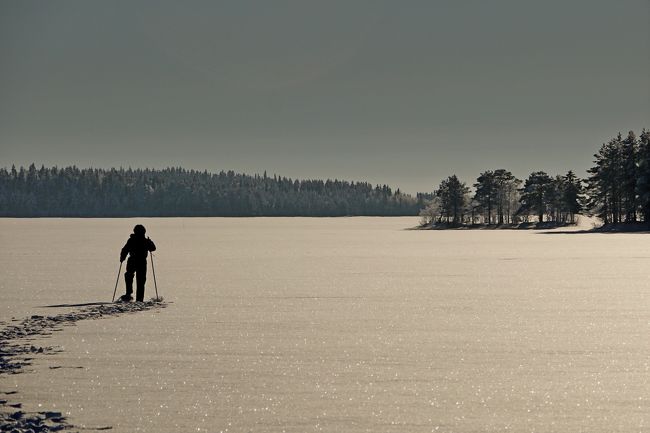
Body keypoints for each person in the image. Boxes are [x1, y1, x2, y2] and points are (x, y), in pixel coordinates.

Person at [118, 224, 156, 302]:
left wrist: (122, 258)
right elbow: (153, 248)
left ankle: (129, 293)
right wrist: (150, 241)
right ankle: (139, 299)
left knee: (129, 275)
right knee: (140, 281)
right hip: (141, 262)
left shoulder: (132, 240)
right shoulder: (144, 241)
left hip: (133, 260)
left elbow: (125, 250)